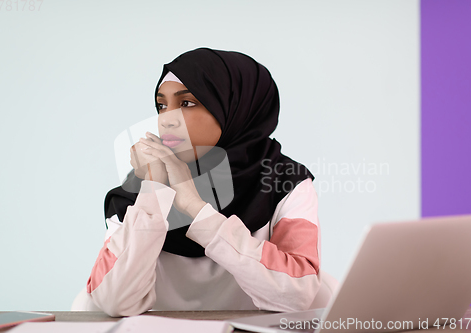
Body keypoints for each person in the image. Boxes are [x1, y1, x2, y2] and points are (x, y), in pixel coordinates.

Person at [84, 48, 337, 317]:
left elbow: (297, 294)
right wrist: (153, 191)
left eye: (187, 103)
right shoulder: (142, 182)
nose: (166, 119)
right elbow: (112, 300)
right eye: (162, 105)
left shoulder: (285, 182)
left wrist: (196, 208)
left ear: (235, 109)